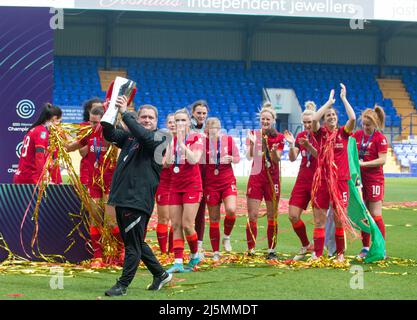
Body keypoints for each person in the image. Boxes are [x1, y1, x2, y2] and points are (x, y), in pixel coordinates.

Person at [102, 96, 172, 296]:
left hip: (137, 200)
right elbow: (108, 133)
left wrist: (126, 113)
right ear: (138, 118)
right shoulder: (130, 137)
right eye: (143, 117)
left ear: (157, 121)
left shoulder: (162, 137)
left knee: (132, 246)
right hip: (123, 198)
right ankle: (160, 274)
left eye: (151, 117)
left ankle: (122, 285)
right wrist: (111, 110)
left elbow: (145, 137)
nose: (147, 120)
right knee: (136, 242)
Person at [66, 105, 119, 267]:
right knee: (95, 220)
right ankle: (98, 257)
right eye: (90, 121)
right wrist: (60, 136)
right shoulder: (88, 134)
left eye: (96, 122)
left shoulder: (112, 135)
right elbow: (70, 148)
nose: (92, 125)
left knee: (111, 222)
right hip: (94, 183)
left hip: (111, 183)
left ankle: (118, 254)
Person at [311, 84, 356, 262]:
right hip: (322, 181)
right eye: (328, 115)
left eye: (334, 115)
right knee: (320, 220)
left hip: (340, 182)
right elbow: (314, 119)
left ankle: (339, 254)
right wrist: (328, 102)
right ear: (325, 120)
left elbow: (353, 118)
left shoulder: (344, 134)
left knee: (339, 220)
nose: (331, 116)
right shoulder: (320, 133)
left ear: (337, 119)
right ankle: (318, 255)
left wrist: (344, 99)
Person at [166, 108, 204, 273]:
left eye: (182, 120)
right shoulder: (171, 139)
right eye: (176, 121)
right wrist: (171, 144)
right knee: (175, 225)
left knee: (188, 225)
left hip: (192, 186)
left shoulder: (197, 137)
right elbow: (166, 163)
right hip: (175, 185)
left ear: (189, 122)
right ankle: (178, 262)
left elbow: (194, 159)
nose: (179, 124)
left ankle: (195, 254)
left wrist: (182, 144)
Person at [245, 103, 285, 259]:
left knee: (272, 215)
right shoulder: (253, 133)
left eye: (268, 119)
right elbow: (249, 157)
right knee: (252, 215)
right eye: (263, 119)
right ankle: (251, 249)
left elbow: (277, 159)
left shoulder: (279, 137)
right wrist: (254, 143)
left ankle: (271, 250)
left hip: (272, 180)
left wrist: (274, 152)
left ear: (273, 120)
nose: (265, 122)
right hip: (256, 178)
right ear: (260, 120)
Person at [284, 101, 318, 260]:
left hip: (319, 181)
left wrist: (309, 145)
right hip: (303, 179)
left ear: (315, 120)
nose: (306, 125)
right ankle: (306, 244)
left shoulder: (322, 135)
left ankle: (320, 249)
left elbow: (321, 156)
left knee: (320, 219)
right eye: (304, 122)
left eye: (309, 122)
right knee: (292, 215)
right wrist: (291, 145)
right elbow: (292, 158)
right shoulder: (300, 136)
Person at [352, 105, 388, 258]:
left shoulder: (380, 138)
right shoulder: (357, 135)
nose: (365, 127)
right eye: (364, 124)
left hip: (374, 180)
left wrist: (364, 164)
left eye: (368, 125)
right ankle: (365, 248)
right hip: (360, 181)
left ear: (375, 124)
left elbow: (383, 160)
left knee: (375, 213)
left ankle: (381, 248)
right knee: (363, 214)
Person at [204, 118, 240, 260]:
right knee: (214, 218)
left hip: (227, 180)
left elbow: (238, 158)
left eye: (216, 128)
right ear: (206, 130)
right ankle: (216, 252)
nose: (214, 131)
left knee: (231, 210)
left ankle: (226, 236)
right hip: (211, 184)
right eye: (211, 129)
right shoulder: (202, 144)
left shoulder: (228, 140)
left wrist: (232, 158)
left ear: (220, 129)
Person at [14, 103, 62, 184]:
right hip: (30, 178)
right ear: (54, 118)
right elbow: (39, 157)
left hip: (23, 176)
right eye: (59, 122)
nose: (59, 125)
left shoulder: (36, 129)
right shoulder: (41, 132)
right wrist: (43, 178)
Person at [190, 100, 209, 255]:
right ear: (193, 113)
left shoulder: (210, 130)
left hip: (204, 175)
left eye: (204, 113)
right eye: (198, 113)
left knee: (200, 212)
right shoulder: (185, 128)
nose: (201, 116)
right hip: (187, 173)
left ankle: (199, 244)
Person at [155, 114, 176, 254]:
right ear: (167, 124)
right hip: (164, 183)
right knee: (163, 217)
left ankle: (173, 251)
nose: (173, 124)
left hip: (180, 184)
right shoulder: (161, 140)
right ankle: (163, 252)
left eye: (176, 122)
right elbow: (159, 163)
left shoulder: (187, 140)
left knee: (176, 219)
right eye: (170, 122)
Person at [79, 98, 102, 186]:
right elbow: (82, 152)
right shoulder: (83, 127)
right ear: (89, 111)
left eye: (101, 109)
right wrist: (96, 139)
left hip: (104, 171)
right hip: (87, 171)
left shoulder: (108, 128)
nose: (98, 111)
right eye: (95, 109)